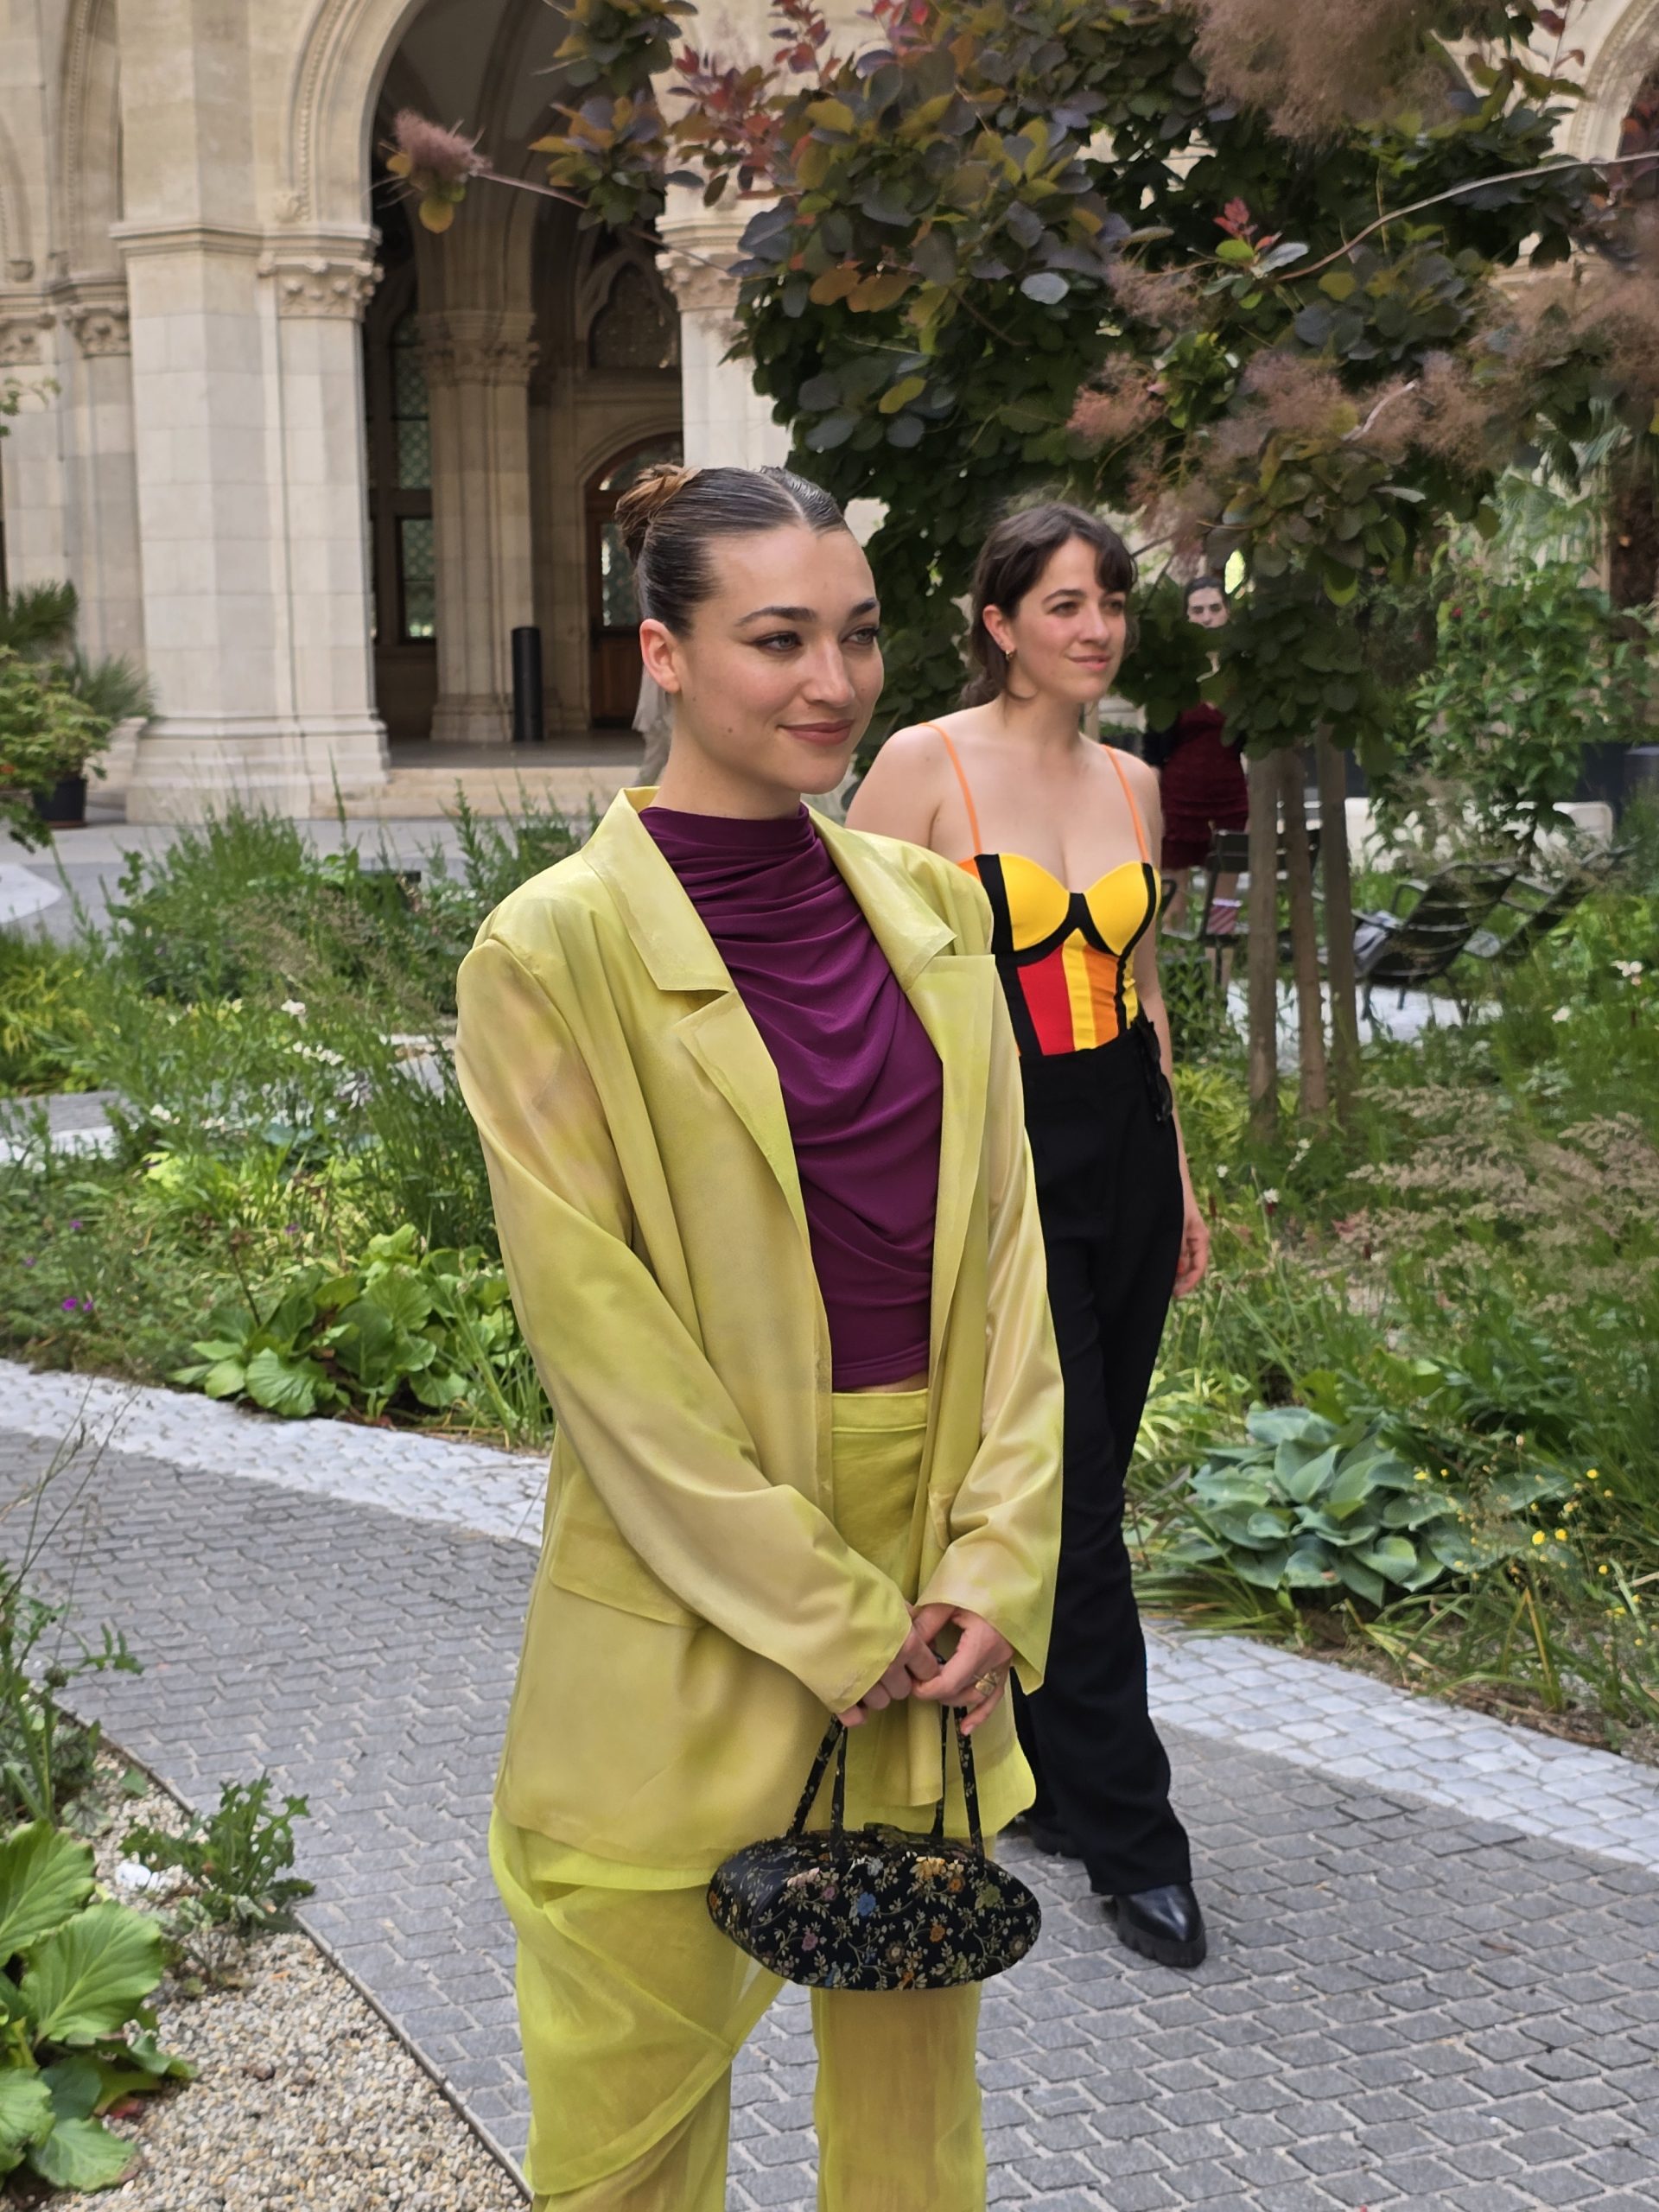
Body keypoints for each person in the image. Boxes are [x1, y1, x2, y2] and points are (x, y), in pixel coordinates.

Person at [455, 461, 1065, 2212]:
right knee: (627, 2123)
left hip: (938, 1601)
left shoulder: (934, 910)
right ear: (663, 649)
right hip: (685, 1596)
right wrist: (831, 1614)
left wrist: (996, 1563)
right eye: (776, 638)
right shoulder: (552, 947)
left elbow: (1012, 1271)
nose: (831, 680)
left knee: (911, 2135)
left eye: (860, 635)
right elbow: (602, 1341)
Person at [847, 501, 1211, 1971]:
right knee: (1072, 1495)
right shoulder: (923, 766)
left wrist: (1180, 1173)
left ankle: (1055, 1779)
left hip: (1120, 1133)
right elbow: (861, 988)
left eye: (1112, 601)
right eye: (1066, 603)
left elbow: (1142, 997)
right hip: (994, 1144)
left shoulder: (1131, 780)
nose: (1099, 626)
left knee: (1096, 1464)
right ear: (1000, 622)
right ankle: (1138, 1839)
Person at [1146, 575, 1249, 931]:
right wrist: (1153, 808)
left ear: (1227, 613)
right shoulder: (1174, 673)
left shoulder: (1243, 670)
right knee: (1173, 889)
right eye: (1197, 610)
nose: (1206, 617)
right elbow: (1155, 748)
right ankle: (1178, 976)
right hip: (1179, 798)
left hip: (1231, 796)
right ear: (1186, 617)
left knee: (1223, 896)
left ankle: (1219, 973)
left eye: (1214, 609)